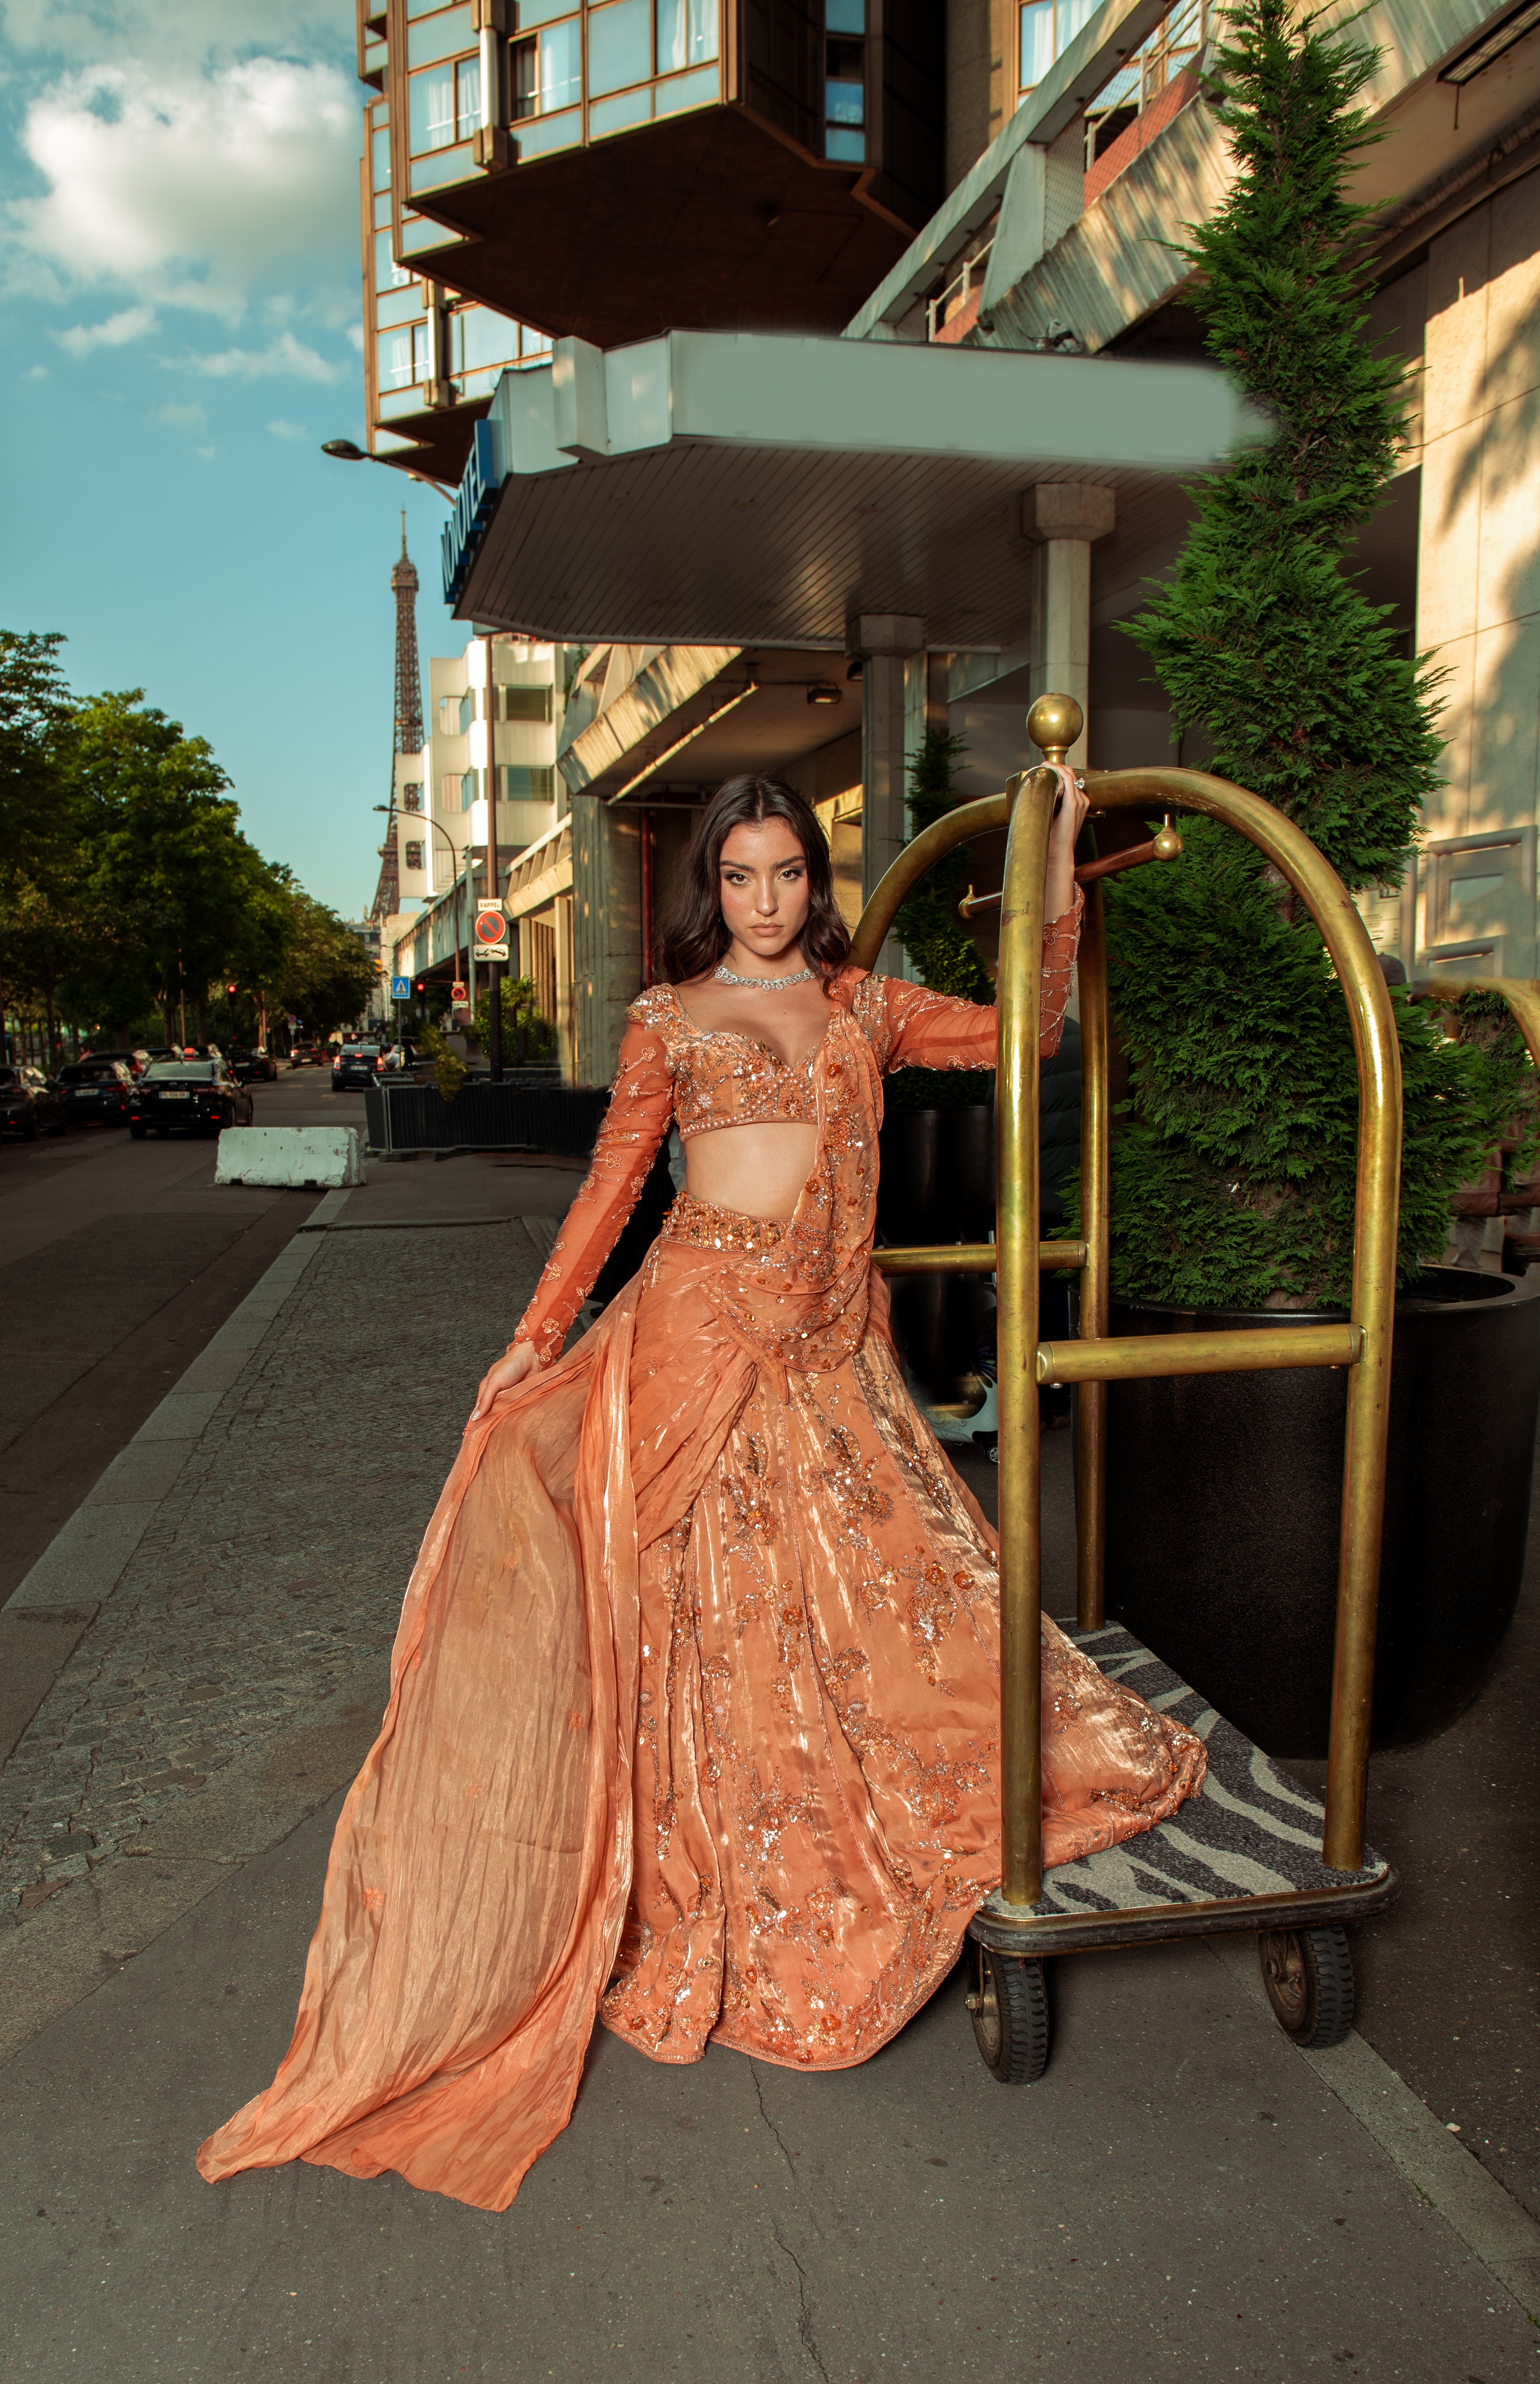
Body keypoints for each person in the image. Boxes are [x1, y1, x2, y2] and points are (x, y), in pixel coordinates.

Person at [198, 772, 1207, 2212]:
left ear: (815, 877)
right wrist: (531, 1340)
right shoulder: (668, 1020)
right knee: (705, 1614)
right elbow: (616, 1190)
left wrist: (1051, 876)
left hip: (830, 1349)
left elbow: (1028, 1041)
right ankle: (716, 1869)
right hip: (694, 1333)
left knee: (893, 1593)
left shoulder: (868, 1006)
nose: (768, 902)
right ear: (710, 891)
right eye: (741, 878)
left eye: (788, 873)